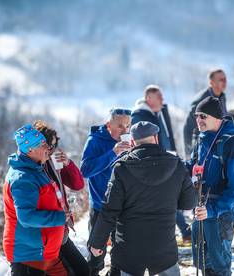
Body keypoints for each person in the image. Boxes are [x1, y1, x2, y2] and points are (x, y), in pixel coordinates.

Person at [88, 121, 197, 276]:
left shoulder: (122, 168)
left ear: (133, 141)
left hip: (129, 251)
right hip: (164, 248)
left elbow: (109, 210)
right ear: (156, 138)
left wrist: (96, 242)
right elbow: (189, 203)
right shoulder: (176, 164)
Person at [187, 97, 234, 276]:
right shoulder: (202, 138)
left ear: (216, 117)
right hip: (201, 209)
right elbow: (192, 166)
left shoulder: (232, 143)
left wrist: (211, 210)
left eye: (203, 116)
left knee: (219, 267)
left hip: (221, 215)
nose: (199, 120)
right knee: (203, 262)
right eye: (197, 116)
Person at [3, 124, 68, 275]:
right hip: (28, 254)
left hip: (43, 250)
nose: (49, 148)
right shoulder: (23, 178)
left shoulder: (35, 168)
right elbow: (26, 217)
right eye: (43, 144)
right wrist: (59, 217)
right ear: (30, 150)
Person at [132, 84, 191, 244]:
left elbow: (167, 136)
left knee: (172, 197)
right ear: (149, 98)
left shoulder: (157, 112)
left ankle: (184, 231)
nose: (162, 100)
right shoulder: (140, 116)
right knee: (169, 199)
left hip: (166, 160)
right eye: (159, 97)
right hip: (154, 165)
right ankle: (184, 231)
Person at [33, 120, 89, 275]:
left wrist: (68, 163)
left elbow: (77, 185)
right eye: (48, 147)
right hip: (45, 235)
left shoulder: (53, 163)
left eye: (53, 146)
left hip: (60, 231)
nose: (51, 151)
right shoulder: (32, 171)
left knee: (82, 269)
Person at [80, 108, 132, 276]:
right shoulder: (95, 140)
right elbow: (85, 170)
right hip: (100, 206)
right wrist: (113, 153)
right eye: (120, 126)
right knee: (96, 252)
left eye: (128, 126)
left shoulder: (130, 139)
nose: (125, 131)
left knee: (121, 251)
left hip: (123, 204)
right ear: (108, 124)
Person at [183, 69, 227, 157]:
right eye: (221, 80)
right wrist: (189, 154)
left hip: (218, 144)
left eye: (225, 79)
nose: (225, 82)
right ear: (211, 83)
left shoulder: (222, 96)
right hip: (203, 148)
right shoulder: (201, 100)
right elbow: (188, 128)